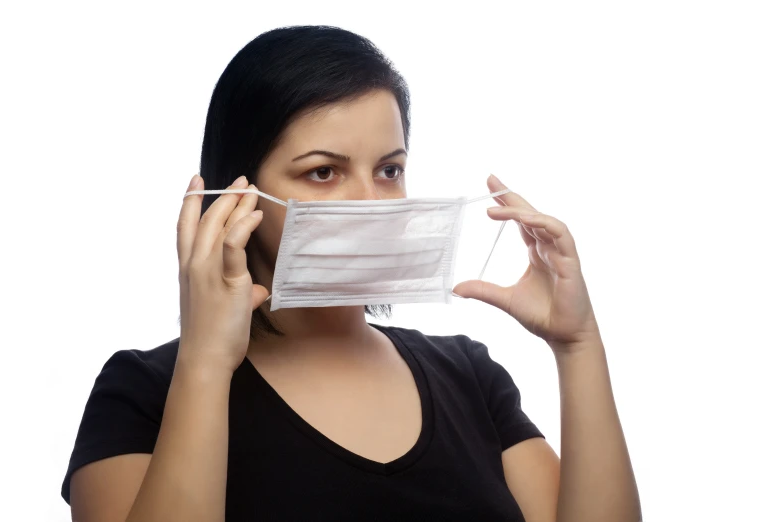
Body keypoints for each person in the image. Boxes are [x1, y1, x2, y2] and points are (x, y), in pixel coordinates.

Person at [62, 25, 641, 522]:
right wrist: (207, 364)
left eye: (389, 170)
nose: (372, 203)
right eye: (323, 173)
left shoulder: (469, 374)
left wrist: (578, 343)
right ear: (239, 195)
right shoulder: (143, 392)